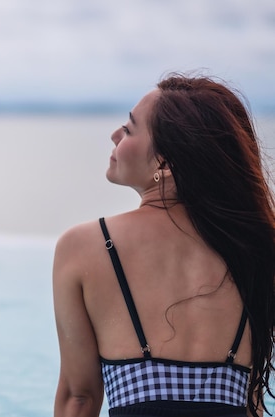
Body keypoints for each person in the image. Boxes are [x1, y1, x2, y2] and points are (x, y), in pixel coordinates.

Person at [52, 74, 275, 417]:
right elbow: (251, 405)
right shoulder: (255, 251)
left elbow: (79, 398)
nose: (114, 135)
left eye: (128, 130)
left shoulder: (85, 247)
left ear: (165, 164)